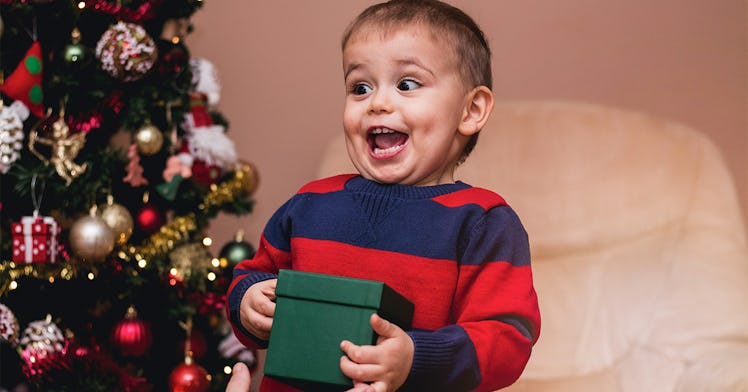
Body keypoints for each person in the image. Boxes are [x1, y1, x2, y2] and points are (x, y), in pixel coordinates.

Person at [226, 0, 541, 391]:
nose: (378, 102)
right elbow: (253, 276)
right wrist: (247, 302)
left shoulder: (483, 221)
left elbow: (507, 339)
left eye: (407, 84)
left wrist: (415, 356)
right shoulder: (309, 204)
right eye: (360, 87)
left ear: (471, 110)